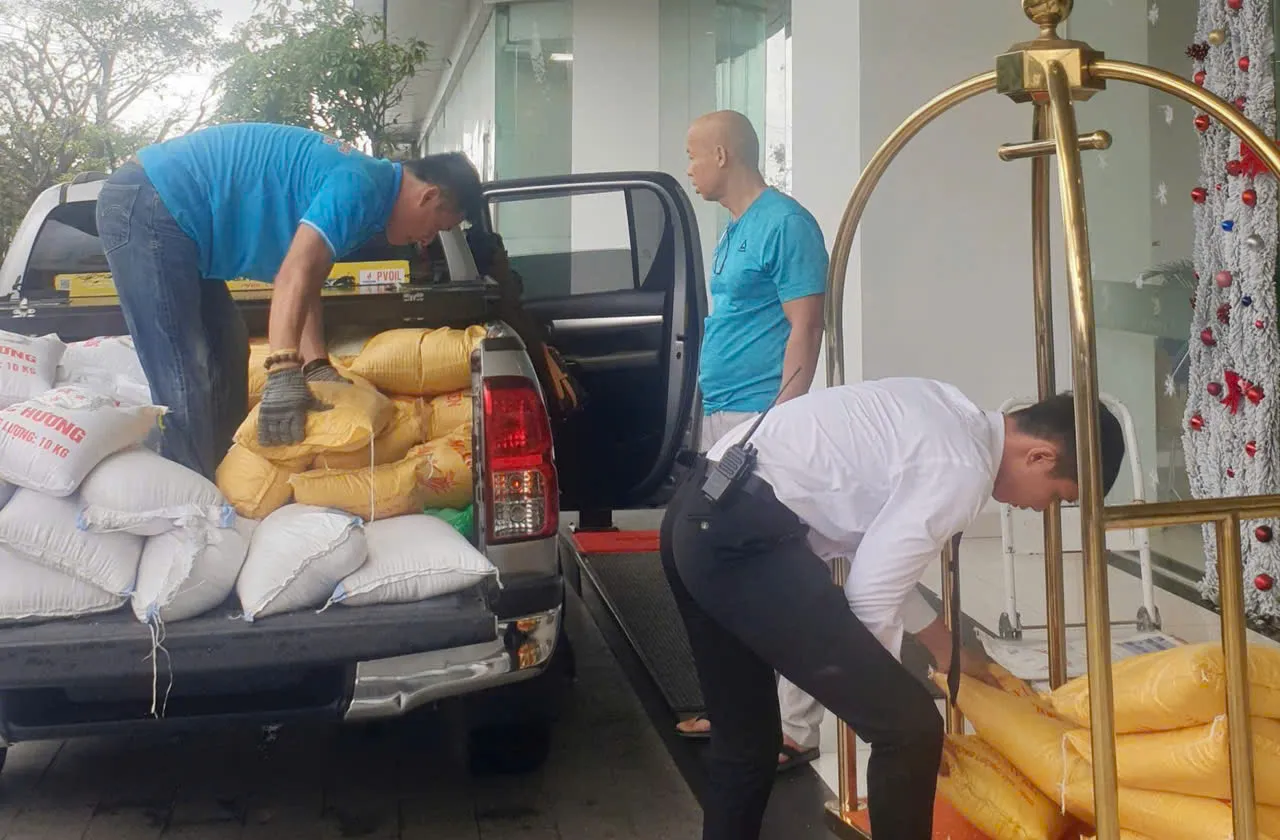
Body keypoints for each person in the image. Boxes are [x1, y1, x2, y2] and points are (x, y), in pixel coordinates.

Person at [661, 380, 1125, 840]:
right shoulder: (965, 472)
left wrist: (947, 651)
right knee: (911, 732)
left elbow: (880, 563)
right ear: (1040, 456)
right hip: (740, 544)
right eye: (1058, 496)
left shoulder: (950, 407)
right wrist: (888, 714)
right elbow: (870, 597)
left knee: (747, 746)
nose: (1042, 508)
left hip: (698, 513)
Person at [95, 122, 483, 479]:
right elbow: (292, 275)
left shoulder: (372, 197)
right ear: (429, 196)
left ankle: (225, 470)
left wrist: (315, 365)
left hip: (178, 219)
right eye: (438, 226)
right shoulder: (363, 187)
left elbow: (306, 278)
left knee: (229, 346)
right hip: (150, 202)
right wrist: (283, 371)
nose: (427, 240)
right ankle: (187, 499)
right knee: (185, 367)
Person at [678, 109, 834, 770]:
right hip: (724, 417)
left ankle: (795, 727)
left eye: (693, 155)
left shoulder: (786, 224)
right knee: (724, 565)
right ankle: (741, 707)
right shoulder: (735, 229)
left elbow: (807, 327)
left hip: (761, 423)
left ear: (722, 154)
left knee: (780, 568)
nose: (689, 168)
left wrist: (784, 422)